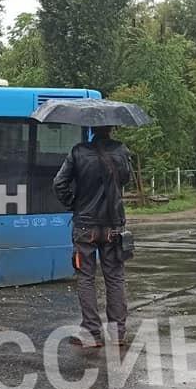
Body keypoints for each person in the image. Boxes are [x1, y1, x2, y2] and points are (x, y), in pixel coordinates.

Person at [53, 126, 132, 348]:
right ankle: (118, 334)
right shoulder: (121, 151)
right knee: (115, 277)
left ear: (91, 129)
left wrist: (74, 203)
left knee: (86, 278)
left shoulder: (78, 152)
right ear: (112, 128)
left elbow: (59, 183)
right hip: (114, 225)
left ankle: (92, 333)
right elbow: (125, 179)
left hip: (84, 226)